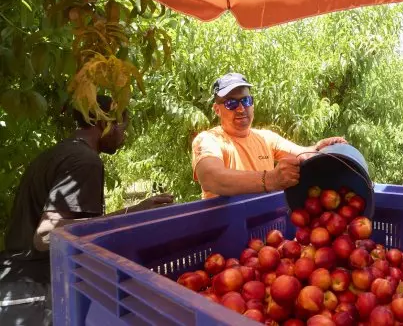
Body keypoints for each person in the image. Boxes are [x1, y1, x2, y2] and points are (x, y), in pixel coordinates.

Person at [0, 95, 173, 325]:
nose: (124, 134)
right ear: (103, 123)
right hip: (36, 292)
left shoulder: (58, 154)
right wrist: (130, 213)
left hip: (17, 284)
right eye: (122, 125)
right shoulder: (85, 161)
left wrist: (133, 212)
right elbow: (45, 236)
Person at [192, 73, 347, 199]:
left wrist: (319, 148)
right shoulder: (209, 139)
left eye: (246, 100)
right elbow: (211, 177)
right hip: (227, 227)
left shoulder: (266, 137)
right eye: (231, 103)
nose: (241, 109)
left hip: (264, 221)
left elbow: (302, 154)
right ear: (217, 109)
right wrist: (271, 179)